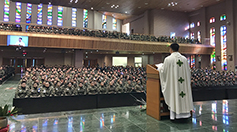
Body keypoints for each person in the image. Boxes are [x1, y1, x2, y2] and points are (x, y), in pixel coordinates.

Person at [156, 43, 193, 121]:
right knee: (183, 96)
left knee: (175, 95)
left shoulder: (168, 59)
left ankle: (175, 116)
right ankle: (185, 115)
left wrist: (159, 68)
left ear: (170, 49)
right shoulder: (184, 59)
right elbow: (188, 72)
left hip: (174, 85)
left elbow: (164, 72)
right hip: (183, 84)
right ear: (179, 49)